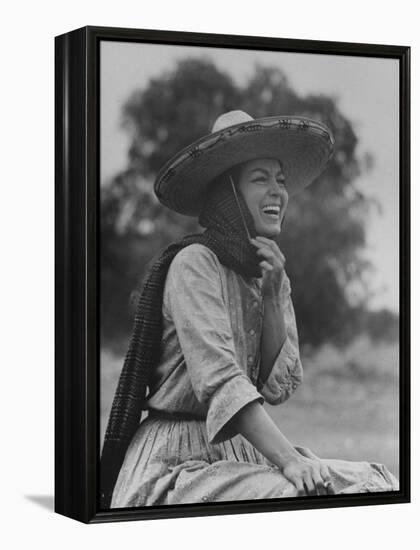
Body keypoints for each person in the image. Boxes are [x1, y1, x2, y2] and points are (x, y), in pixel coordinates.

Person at [101, 110, 398, 509]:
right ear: (229, 194)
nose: (277, 191)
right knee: (299, 495)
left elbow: (278, 387)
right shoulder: (194, 263)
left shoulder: (268, 271)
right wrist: (290, 460)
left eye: (280, 179)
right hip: (175, 461)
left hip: (238, 451)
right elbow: (223, 382)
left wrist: (274, 295)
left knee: (375, 481)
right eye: (260, 179)